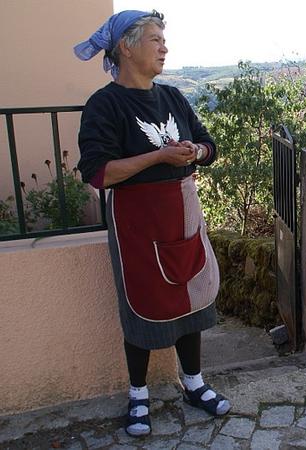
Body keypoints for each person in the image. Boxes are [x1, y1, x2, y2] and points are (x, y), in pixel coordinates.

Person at [74, 10, 230, 437]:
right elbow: (98, 172)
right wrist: (159, 156)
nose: (164, 47)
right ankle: (138, 394)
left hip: (182, 211)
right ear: (126, 46)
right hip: (136, 222)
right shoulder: (105, 105)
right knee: (140, 302)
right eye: (155, 39)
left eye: (164, 39)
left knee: (192, 296)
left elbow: (209, 145)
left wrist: (194, 153)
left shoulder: (174, 98)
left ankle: (194, 384)